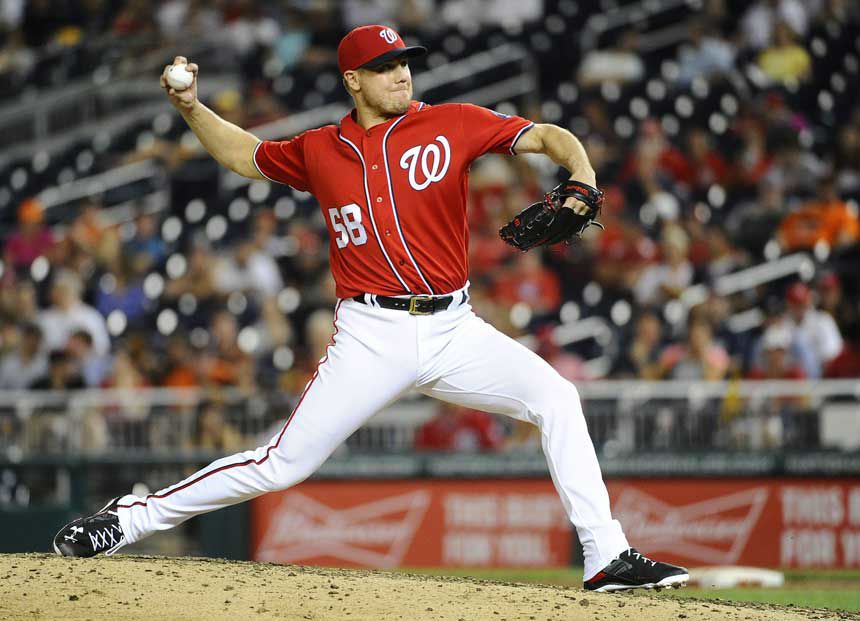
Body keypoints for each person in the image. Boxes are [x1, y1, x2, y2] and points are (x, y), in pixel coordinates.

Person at [53, 24, 687, 592]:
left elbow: (547, 135)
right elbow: (244, 155)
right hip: (372, 333)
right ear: (353, 80)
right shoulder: (320, 149)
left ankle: (606, 557)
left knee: (558, 399)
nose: (402, 74)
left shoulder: (451, 122)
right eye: (386, 66)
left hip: (455, 327)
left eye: (405, 62)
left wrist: (582, 177)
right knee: (282, 465)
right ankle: (127, 519)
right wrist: (191, 107)